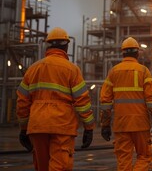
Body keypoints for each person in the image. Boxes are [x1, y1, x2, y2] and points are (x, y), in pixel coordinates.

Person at [16, 27, 95, 170]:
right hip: (62, 125)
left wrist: (23, 128)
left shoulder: (33, 69)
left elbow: (22, 101)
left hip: (37, 125)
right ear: (66, 45)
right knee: (60, 166)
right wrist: (89, 128)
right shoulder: (72, 70)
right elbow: (82, 102)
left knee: (42, 167)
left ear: (49, 45)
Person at [100, 37, 152, 171]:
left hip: (121, 124)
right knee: (144, 156)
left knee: (123, 159)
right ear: (137, 53)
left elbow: (105, 101)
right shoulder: (144, 71)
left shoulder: (113, 72)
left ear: (123, 53)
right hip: (140, 123)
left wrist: (105, 124)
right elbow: (151, 100)